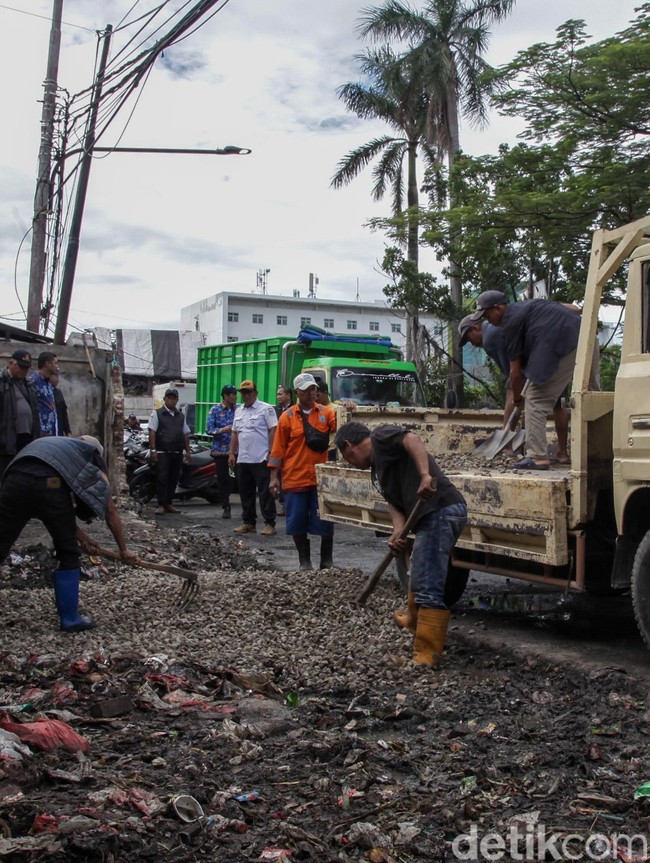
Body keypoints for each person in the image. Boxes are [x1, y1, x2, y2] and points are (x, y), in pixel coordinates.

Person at [335, 421, 467, 667]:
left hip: (441, 509)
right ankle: (414, 620)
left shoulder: (380, 437)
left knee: (428, 584)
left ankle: (427, 655)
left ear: (348, 445)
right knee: (417, 576)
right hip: (429, 516)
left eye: (347, 457)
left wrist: (426, 475)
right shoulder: (377, 470)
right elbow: (393, 502)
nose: (350, 463)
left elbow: (412, 439)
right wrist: (398, 533)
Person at [0, 435, 137, 631]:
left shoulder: (60, 448)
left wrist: (85, 539)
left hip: (14, 480)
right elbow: (110, 511)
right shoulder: (89, 457)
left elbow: (59, 516)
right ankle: (71, 619)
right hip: (49, 483)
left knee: (1, 543)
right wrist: (124, 550)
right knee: (68, 552)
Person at [473, 290, 584, 470]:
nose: (487, 320)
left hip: (563, 344)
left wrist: (517, 399)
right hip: (584, 334)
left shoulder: (509, 324)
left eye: (487, 314)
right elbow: (573, 308)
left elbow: (515, 373)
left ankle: (538, 457)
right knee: (590, 395)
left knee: (535, 399)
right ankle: (593, 451)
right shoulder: (526, 306)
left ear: (498, 308)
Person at [459, 314, 570, 462]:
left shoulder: (490, 338)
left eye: (468, 338)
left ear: (476, 327)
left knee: (512, 390)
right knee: (558, 403)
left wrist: (517, 395)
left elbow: (513, 376)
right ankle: (563, 453)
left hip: (536, 361)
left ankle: (507, 447)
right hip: (554, 356)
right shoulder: (499, 325)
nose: (471, 344)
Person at [268, 373, 337, 570]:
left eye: (314, 389)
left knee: (326, 519)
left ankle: (326, 560)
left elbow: (341, 422)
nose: (311, 393)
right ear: (297, 392)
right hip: (295, 478)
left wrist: (348, 407)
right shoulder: (287, 417)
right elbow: (278, 449)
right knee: (296, 521)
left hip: (320, 479)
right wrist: (274, 477)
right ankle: (304, 561)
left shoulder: (326, 413)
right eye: (307, 390)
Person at [228, 379, 278, 536]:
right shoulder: (239, 411)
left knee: (265, 493)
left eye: (249, 392)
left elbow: (273, 430)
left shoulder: (266, 409)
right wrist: (231, 453)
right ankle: (248, 522)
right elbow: (235, 433)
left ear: (255, 393)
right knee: (245, 492)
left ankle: (269, 523)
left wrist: (271, 452)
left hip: (261, 457)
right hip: (243, 458)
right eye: (243, 393)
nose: (246, 395)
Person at [148, 387, 192, 514]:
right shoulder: (157, 413)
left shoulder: (180, 416)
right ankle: (161, 504)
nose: (172, 401)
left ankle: (169, 503)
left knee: (173, 479)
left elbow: (185, 434)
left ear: (177, 400)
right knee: (162, 478)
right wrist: (153, 450)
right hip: (163, 452)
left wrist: (188, 451)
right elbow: (152, 432)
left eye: (174, 398)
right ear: (165, 399)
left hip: (177, 452)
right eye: (170, 398)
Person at [0, 350, 41, 480]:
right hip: (7, 438)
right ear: (11, 363)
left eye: (27, 368)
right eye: (21, 367)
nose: (24, 371)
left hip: (27, 437)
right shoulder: (2, 382)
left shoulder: (28, 384)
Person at [206, 384, 238, 519]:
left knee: (236, 479)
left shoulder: (239, 410)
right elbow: (209, 429)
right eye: (233, 394)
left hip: (236, 452)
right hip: (220, 452)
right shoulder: (214, 410)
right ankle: (226, 506)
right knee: (222, 479)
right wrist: (222, 430)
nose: (236, 397)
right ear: (226, 396)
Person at [30, 351, 60, 436]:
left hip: (52, 431)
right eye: (55, 363)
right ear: (47, 364)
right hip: (40, 433)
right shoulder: (33, 381)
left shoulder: (48, 383)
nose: (57, 367)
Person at [50, 370, 72, 437]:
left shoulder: (58, 393)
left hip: (59, 432)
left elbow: (64, 414)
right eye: (56, 376)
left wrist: (68, 431)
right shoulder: (43, 392)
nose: (58, 379)